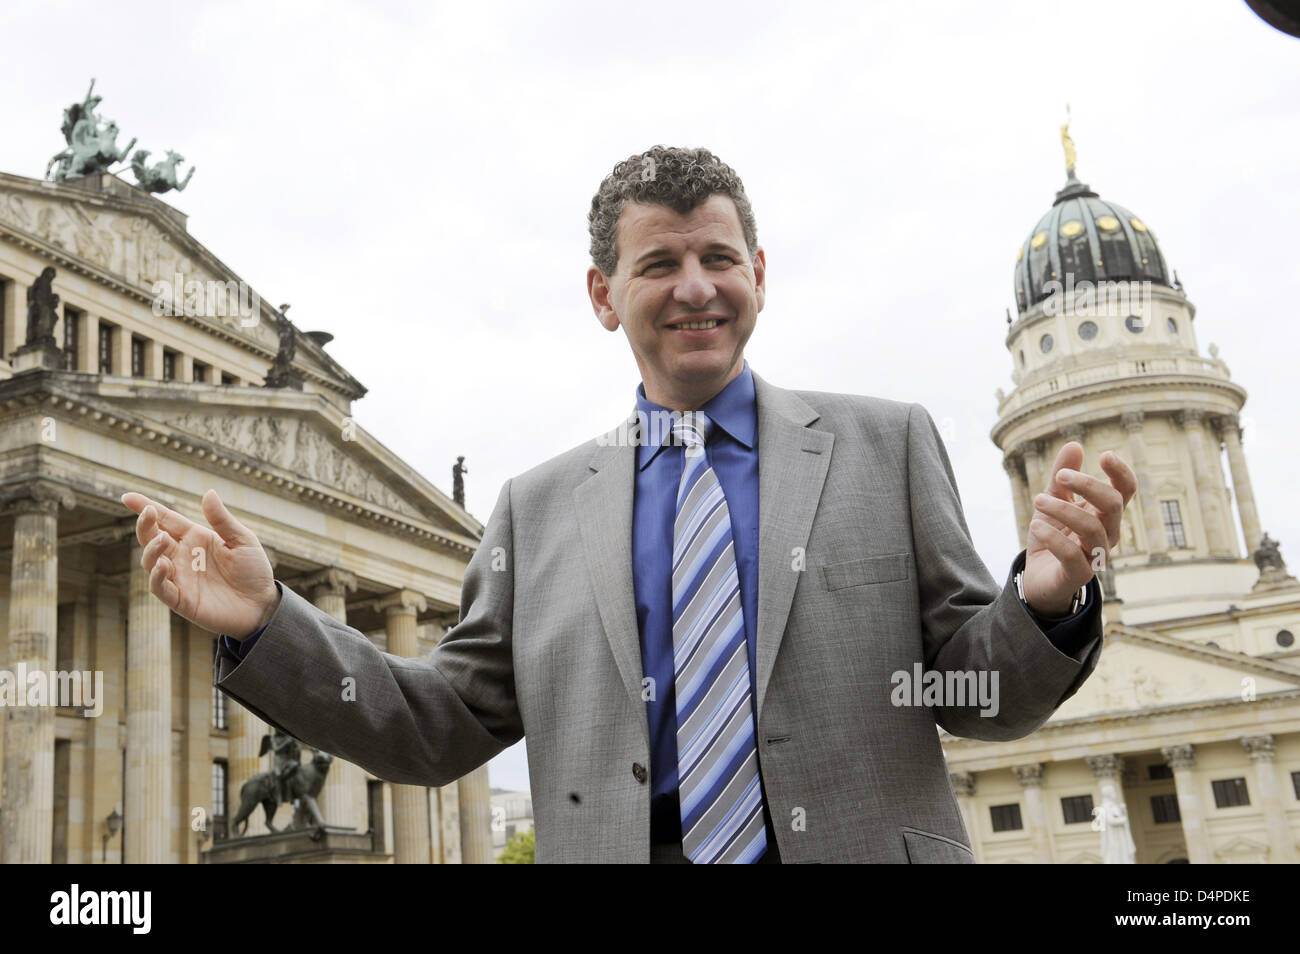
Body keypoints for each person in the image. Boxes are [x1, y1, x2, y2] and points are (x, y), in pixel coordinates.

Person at [121, 145, 1137, 863]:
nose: (696, 286)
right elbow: (435, 726)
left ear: (758, 276)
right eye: (659, 263)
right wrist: (267, 623)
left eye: (718, 258)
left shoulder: (887, 446)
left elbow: (978, 694)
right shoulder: (533, 512)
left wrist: (1042, 602)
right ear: (605, 294)